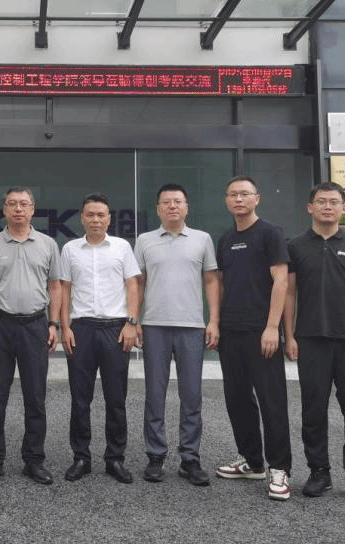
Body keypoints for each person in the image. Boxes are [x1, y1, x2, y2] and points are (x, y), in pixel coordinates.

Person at [283, 181, 345, 508]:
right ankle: (319, 472)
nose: (328, 206)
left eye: (334, 202)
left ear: (344, 208)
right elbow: (289, 293)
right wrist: (289, 335)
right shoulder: (295, 246)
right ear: (310, 207)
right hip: (311, 339)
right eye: (321, 201)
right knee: (313, 409)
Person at [134, 183, 219, 486]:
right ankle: (155, 455)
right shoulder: (144, 240)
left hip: (192, 327)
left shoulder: (202, 239)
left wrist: (214, 320)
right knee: (154, 394)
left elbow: (211, 281)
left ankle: (190, 458)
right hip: (154, 325)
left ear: (186, 207)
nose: (172, 206)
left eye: (178, 201)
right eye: (166, 202)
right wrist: (134, 320)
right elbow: (138, 283)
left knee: (192, 395)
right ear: (158, 208)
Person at [0, 186, 61, 486]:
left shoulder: (48, 244)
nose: (18, 209)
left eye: (24, 204)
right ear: (4, 210)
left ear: (33, 209)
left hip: (35, 326)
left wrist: (54, 324)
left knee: (35, 397)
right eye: (12, 204)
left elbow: (55, 286)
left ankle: (34, 460)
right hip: (0, 324)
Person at [214, 176, 292, 501]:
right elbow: (220, 284)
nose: (239, 199)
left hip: (262, 332)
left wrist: (273, 327)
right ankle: (253, 461)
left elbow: (281, 282)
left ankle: (280, 469)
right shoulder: (225, 239)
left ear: (257, 198)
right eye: (233, 194)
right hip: (231, 331)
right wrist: (216, 323)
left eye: (245, 194)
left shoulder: (270, 233)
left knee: (272, 402)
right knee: (237, 399)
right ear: (226, 200)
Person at [60, 193, 141, 484]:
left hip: (115, 329)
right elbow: (64, 289)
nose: (96, 219)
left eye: (101, 215)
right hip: (81, 329)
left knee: (116, 398)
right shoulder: (70, 249)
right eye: (90, 215)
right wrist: (64, 327)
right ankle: (81, 457)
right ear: (82, 218)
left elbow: (132, 285)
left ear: (108, 218)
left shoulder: (121, 247)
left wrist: (131, 323)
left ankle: (115, 458)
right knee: (80, 399)